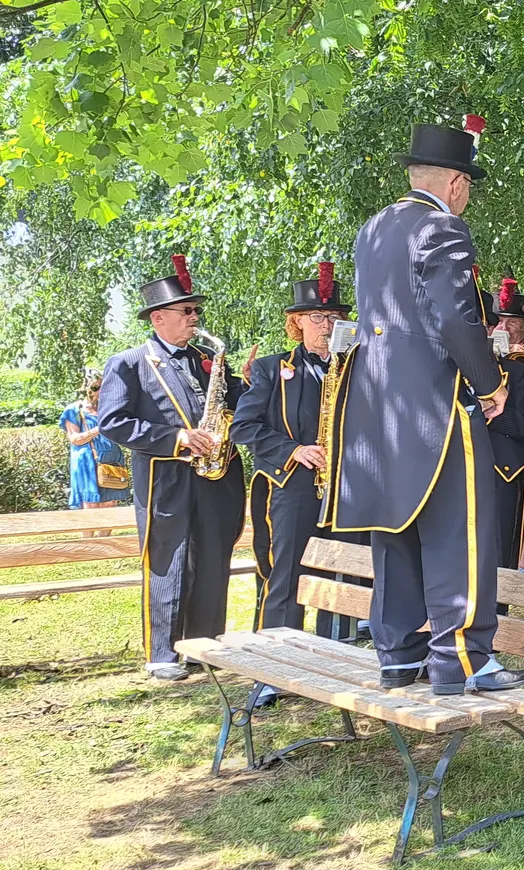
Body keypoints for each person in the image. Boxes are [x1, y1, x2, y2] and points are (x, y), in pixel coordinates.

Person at [330, 120, 524, 696]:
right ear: (453, 182)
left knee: (394, 528)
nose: (467, 193)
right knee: (460, 532)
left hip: (378, 407)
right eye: (468, 182)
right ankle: (463, 659)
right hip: (436, 405)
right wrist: (491, 384)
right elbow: (456, 319)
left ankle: (397, 655)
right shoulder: (442, 227)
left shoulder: (373, 230)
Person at [96, 255, 248, 680]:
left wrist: (247, 386)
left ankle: (205, 646)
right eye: (187, 311)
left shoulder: (207, 358)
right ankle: (162, 652)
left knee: (214, 558)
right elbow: (113, 422)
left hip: (215, 475)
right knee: (169, 559)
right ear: (158, 318)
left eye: (196, 310)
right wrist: (177, 439)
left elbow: (229, 401)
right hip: (166, 477)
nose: (195, 318)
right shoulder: (128, 363)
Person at [231, 263, 362, 686]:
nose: (327, 326)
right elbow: (244, 428)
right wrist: (295, 450)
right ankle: (274, 669)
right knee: (286, 573)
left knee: (341, 573)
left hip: (345, 488)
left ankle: (334, 663)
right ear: (297, 323)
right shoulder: (273, 368)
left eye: (334, 318)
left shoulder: (358, 369)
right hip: (293, 485)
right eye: (317, 318)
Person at [479, 276, 524, 575]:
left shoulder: (519, 371)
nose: (504, 329)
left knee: (496, 551)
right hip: (457, 468)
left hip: (501, 470)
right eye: (500, 323)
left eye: (512, 322)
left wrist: (488, 415)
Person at [61, 370, 131, 517]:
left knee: (110, 503)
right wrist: (100, 428)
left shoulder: (110, 409)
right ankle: (88, 541)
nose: (99, 392)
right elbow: (75, 439)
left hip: (112, 460)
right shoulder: (74, 410)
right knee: (90, 504)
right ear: (85, 388)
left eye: (103, 388)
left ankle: (105, 540)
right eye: (95, 388)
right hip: (87, 461)